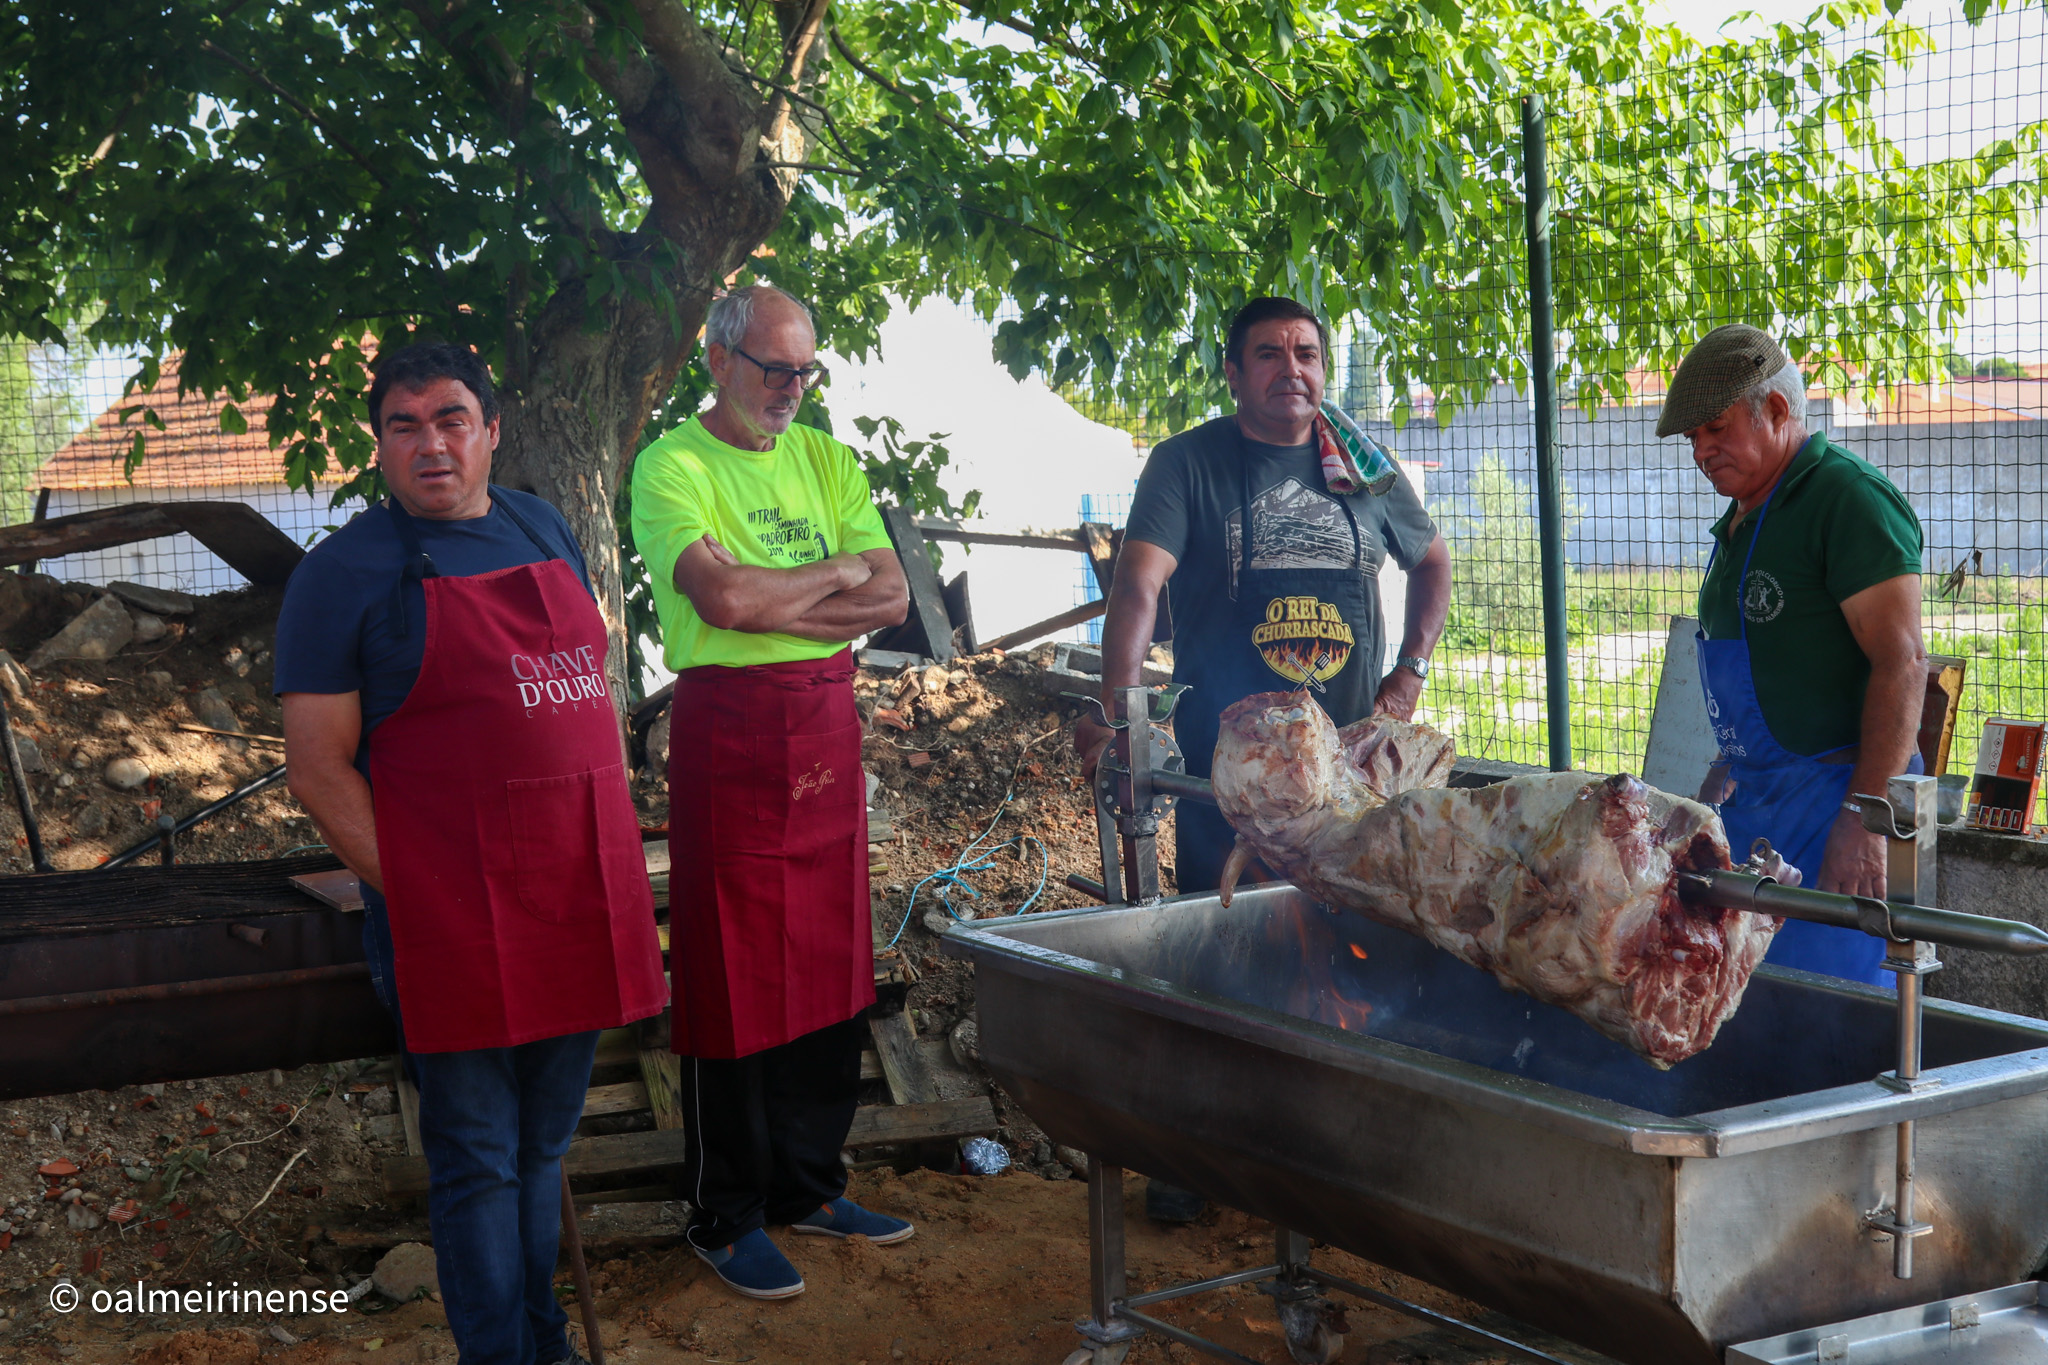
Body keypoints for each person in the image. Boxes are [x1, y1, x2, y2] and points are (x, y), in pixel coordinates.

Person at [278, 343, 667, 1365]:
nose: (430, 445)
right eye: (403, 426)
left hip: (575, 897)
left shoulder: (543, 526)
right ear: (379, 446)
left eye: (451, 419)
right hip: (458, 922)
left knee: (542, 1148)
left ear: (491, 431)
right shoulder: (343, 575)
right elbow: (318, 770)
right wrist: (427, 900)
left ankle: (544, 1341)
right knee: (479, 1160)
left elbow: (586, 692)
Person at [1077, 295, 1450, 1222]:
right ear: (1233, 372)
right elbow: (1138, 586)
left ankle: (1325, 1149)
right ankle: (1198, 1156)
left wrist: (1408, 672)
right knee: (1221, 952)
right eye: (1271, 354)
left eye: (1308, 353)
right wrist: (1124, 715)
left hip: (1344, 773)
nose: (1294, 369)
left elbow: (1434, 562)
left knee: (1345, 950)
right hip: (1230, 774)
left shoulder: (1361, 463)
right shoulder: (1189, 463)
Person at [630, 283, 914, 1301]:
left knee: (830, 960)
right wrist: (834, 576)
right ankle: (727, 1212)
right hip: (732, 734)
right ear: (719, 361)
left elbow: (893, 595)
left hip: (824, 728)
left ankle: (810, 1184)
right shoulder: (671, 465)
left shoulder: (827, 459)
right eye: (773, 368)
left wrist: (782, 595)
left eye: (804, 370)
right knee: (733, 970)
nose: (792, 388)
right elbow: (721, 598)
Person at [1659, 323, 1927, 985]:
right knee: (1745, 1004)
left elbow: (1903, 664)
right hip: (1759, 808)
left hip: (1838, 804)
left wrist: (1866, 821)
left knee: (1834, 1011)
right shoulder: (1741, 520)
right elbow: (1768, 667)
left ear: (1777, 409)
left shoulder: (1846, 499)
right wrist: (1721, 770)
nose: (1701, 450)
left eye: (1716, 428)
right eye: (1693, 437)